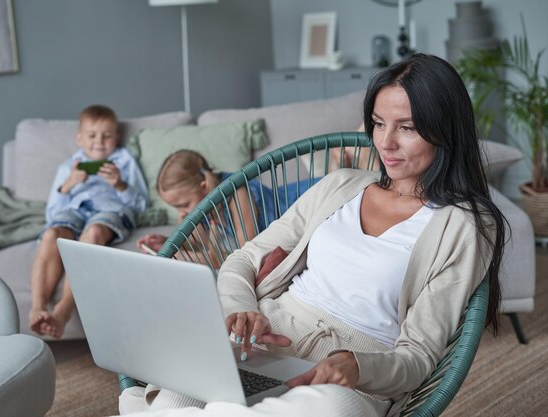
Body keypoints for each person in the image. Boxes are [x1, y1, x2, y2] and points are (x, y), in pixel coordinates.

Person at [120, 54, 507, 417]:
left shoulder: (466, 227)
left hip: (350, 376)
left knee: (326, 411)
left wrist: (356, 366)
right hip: (269, 337)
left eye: (406, 128)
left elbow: (418, 357)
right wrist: (243, 309)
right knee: (172, 397)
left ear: (445, 129)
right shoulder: (340, 185)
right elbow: (242, 259)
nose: (385, 142)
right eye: (377, 123)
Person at [30, 104, 148, 338]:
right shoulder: (69, 166)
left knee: (92, 234)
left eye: (107, 136)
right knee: (51, 235)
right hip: (75, 208)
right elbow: (53, 212)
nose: (99, 142)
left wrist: (120, 184)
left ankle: (63, 309)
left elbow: (140, 204)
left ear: (117, 137)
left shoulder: (124, 161)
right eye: (92, 136)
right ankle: (37, 307)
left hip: (109, 210)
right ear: (80, 138)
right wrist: (71, 183)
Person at [137, 149, 317, 264]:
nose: (181, 213)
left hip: (304, 200)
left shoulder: (236, 192)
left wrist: (183, 258)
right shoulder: (204, 204)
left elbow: (248, 254)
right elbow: (200, 241)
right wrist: (169, 243)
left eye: (183, 205)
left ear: (204, 187)